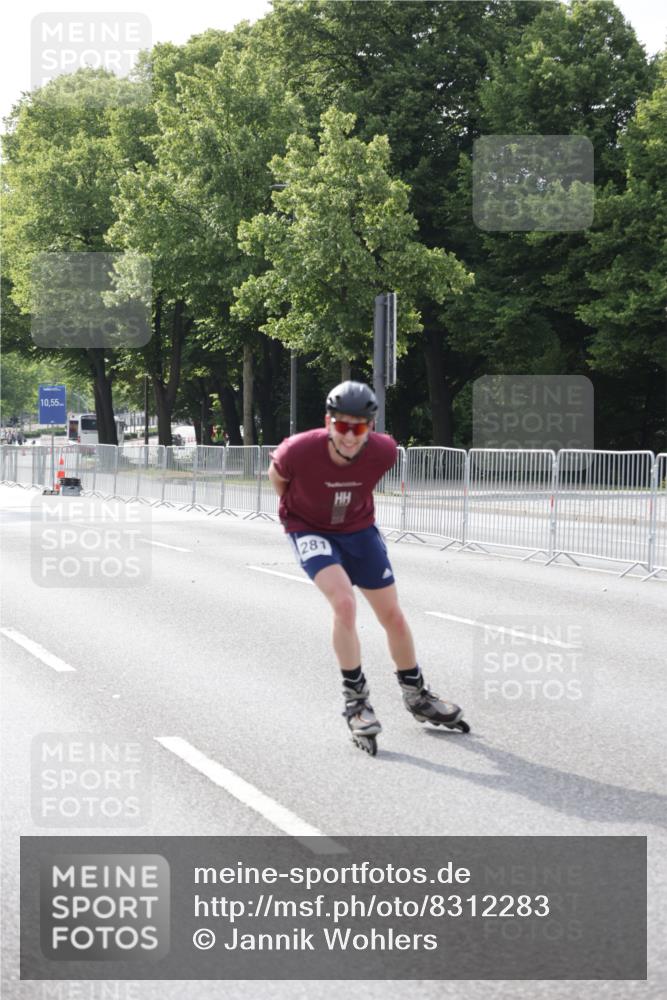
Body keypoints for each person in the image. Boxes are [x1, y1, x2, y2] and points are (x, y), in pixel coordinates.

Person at [268, 380, 466, 752]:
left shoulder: (385, 451)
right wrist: (298, 513)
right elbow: (278, 479)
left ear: (370, 427)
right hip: (310, 529)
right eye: (341, 426)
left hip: (358, 531)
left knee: (392, 615)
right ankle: (356, 702)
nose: (348, 436)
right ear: (328, 423)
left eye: (358, 427)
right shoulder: (298, 450)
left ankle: (416, 693)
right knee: (344, 603)